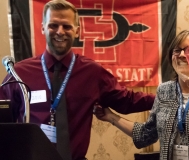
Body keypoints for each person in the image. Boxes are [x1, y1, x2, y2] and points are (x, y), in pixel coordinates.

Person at [0, 0, 155, 160]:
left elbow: (127, 100)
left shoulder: (92, 72)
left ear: (77, 31)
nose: (60, 32)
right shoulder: (19, 73)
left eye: (66, 26)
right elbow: (3, 118)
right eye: (53, 25)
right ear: (42, 28)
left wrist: (168, 97)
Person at [94, 30, 189, 160]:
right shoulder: (164, 91)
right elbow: (146, 134)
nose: (182, 55)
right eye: (177, 50)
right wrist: (111, 117)